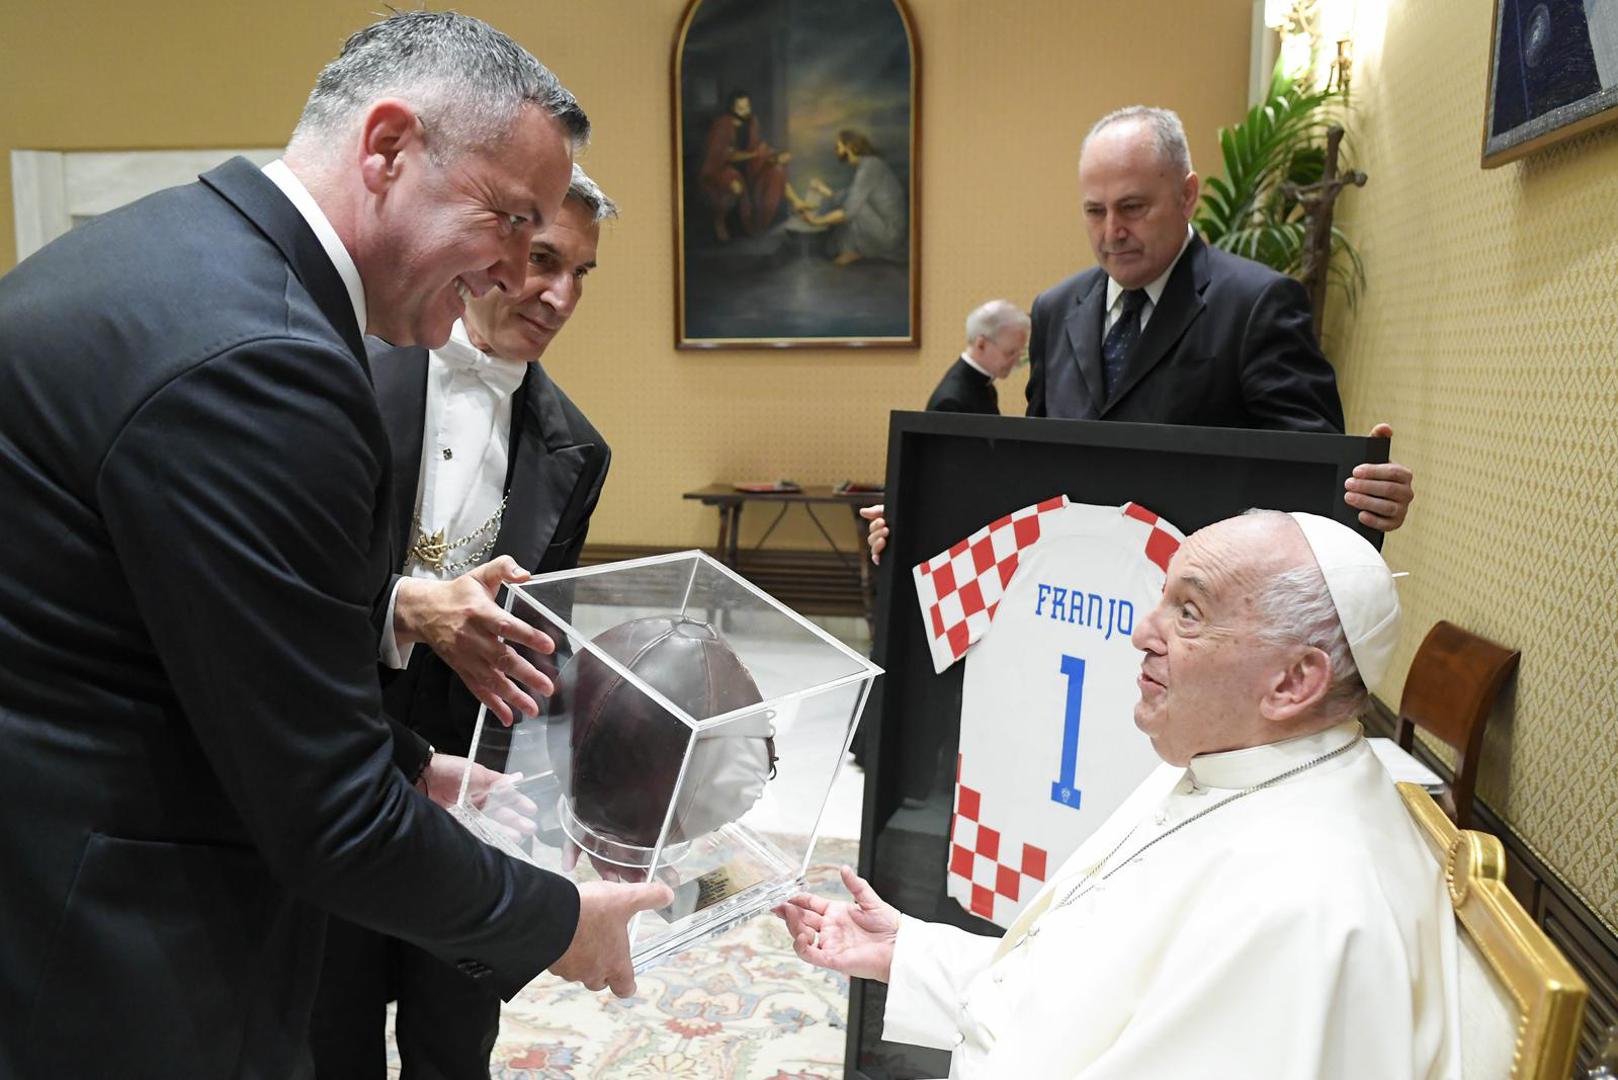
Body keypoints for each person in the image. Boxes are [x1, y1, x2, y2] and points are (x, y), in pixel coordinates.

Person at [0, 14, 669, 1078]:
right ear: (389, 147)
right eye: (510, 221)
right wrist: (558, 922)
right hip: (104, 945)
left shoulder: (177, 251)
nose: (512, 273)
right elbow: (332, 824)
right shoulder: (268, 358)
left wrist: (414, 764)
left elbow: (213, 629)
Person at [777, 510, 1459, 1079]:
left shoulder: (1303, 904)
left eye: (1187, 611)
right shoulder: (1225, 768)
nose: (1140, 633)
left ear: (1291, 683)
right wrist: (910, 952)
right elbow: (1086, 991)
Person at [311, 165, 619, 1079]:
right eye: (543, 260)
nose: (559, 296)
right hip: (339, 763)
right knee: (328, 1030)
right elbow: (282, 590)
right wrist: (409, 605)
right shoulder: (345, 371)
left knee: (456, 1039)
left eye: (582, 274)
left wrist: (584, 779)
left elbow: (539, 639)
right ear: (491, 250)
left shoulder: (578, 446)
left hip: (477, 793)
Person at [862, 106, 1412, 562]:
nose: (1111, 233)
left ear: (1187, 195)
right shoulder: (1055, 309)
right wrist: (922, 511)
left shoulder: (1257, 304)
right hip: (1068, 599)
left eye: (1132, 207)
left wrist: (1370, 497)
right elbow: (1029, 470)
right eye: (1094, 211)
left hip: (1198, 609)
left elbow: (1312, 479)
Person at [792, 129, 908, 265]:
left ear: (849, 147)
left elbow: (849, 211)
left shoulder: (869, 168)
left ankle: (854, 251)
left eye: (838, 146)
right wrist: (822, 190)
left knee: (852, 208)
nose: (835, 150)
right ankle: (853, 250)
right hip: (884, 227)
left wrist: (816, 221)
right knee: (849, 202)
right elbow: (848, 196)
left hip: (889, 234)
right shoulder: (869, 165)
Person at [698, 89, 792, 242]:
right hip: (722, 170)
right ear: (732, 108)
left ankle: (758, 224)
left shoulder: (752, 123)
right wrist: (755, 155)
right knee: (735, 183)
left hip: (749, 168)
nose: (745, 111)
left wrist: (775, 157)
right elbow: (724, 155)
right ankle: (720, 221)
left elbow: (757, 147)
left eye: (747, 107)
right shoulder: (723, 125)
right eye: (740, 108)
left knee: (776, 171)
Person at [925, 300, 1030, 414]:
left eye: (1020, 352)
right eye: (1010, 352)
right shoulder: (950, 403)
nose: (1016, 362)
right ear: (981, 344)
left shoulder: (985, 386)